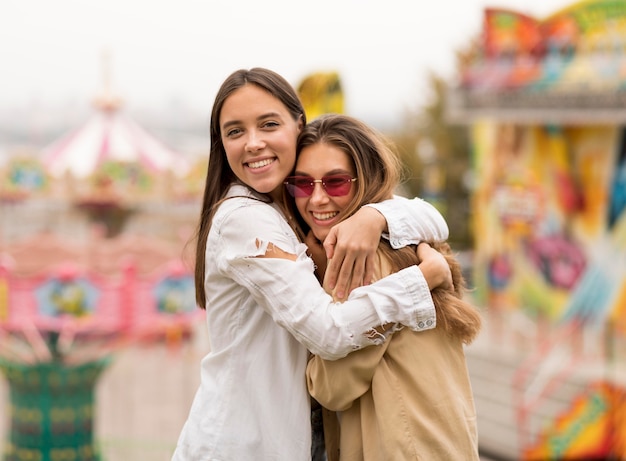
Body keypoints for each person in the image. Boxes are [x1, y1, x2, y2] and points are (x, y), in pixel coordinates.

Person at [172, 68, 451, 461]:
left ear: (298, 125)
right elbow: (328, 332)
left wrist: (375, 218)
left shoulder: (293, 201)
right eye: (235, 132)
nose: (253, 143)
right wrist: (424, 279)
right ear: (221, 144)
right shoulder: (244, 218)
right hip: (241, 444)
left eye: (268, 124)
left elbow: (434, 219)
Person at [288, 113, 482, 460]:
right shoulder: (409, 242)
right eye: (303, 184)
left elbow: (332, 387)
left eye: (335, 183)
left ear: (365, 181)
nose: (316, 199)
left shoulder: (359, 259)